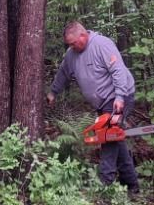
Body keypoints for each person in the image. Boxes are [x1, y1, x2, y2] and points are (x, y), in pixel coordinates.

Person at [46, 20, 139, 195]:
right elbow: (63, 73)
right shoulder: (71, 54)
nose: (72, 46)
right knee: (115, 139)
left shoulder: (101, 44)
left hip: (119, 97)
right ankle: (132, 184)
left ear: (83, 35)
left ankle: (104, 183)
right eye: (70, 44)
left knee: (108, 138)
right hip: (102, 103)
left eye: (74, 43)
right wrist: (53, 92)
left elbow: (118, 70)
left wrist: (120, 97)